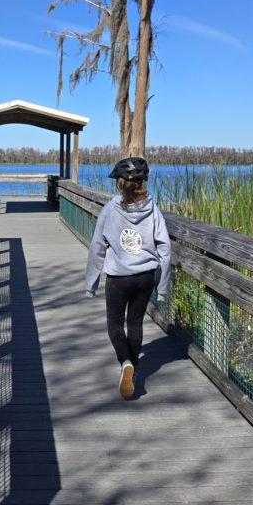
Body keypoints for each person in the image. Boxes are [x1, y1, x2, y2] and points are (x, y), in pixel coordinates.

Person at [85, 157, 172, 399]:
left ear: (120, 184)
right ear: (142, 184)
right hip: (145, 277)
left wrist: (91, 283)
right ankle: (131, 369)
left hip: (118, 278)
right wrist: (162, 287)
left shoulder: (110, 209)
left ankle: (126, 363)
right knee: (135, 324)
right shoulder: (153, 210)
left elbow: (97, 247)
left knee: (115, 324)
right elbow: (164, 249)